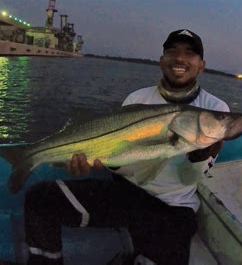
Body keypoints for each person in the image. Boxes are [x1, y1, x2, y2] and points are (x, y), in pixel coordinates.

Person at [24, 29, 230, 265]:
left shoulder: (214, 110)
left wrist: (201, 155)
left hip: (174, 205)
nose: (180, 59)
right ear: (162, 60)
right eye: (172, 52)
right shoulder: (136, 99)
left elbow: (189, 177)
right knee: (39, 199)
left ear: (201, 65)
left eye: (190, 54)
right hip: (128, 194)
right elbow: (120, 163)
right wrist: (95, 163)